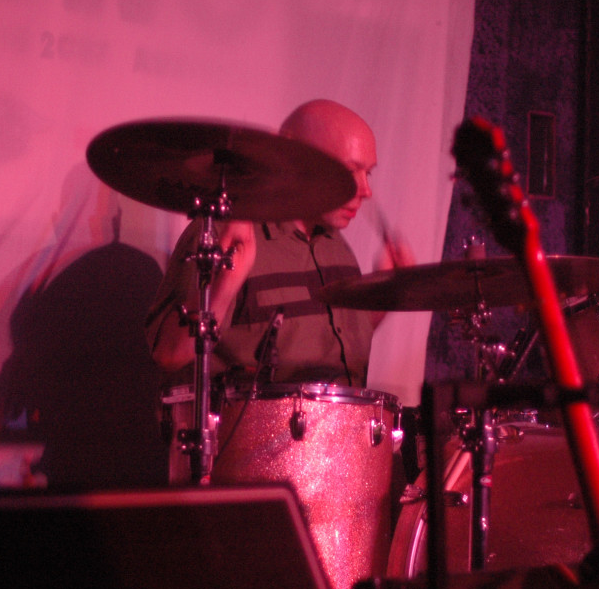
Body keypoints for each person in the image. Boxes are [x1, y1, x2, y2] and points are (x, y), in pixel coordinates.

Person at [145, 99, 413, 388]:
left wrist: (386, 296)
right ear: (295, 159)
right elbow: (168, 355)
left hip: (341, 418)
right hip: (247, 419)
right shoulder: (225, 232)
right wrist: (227, 282)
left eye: (367, 173)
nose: (366, 190)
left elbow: (331, 348)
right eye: (350, 171)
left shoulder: (334, 243)